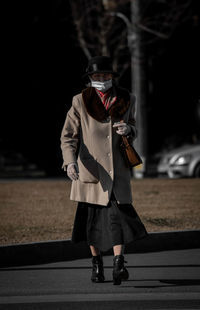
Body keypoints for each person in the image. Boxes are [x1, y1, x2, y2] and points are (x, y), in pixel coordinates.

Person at [60, 56, 147, 285]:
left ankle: (119, 264)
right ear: (90, 78)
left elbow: (135, 127)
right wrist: (70, 162)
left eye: (106, 75)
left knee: (118, 220)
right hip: (91, 171)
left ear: (112, 77)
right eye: (97, 76)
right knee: (92, 223)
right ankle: (97, 265)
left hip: (118, 171)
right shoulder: (80, 100)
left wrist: (129, 129)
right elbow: (68, 136)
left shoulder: (128, 98)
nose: (102, 79)